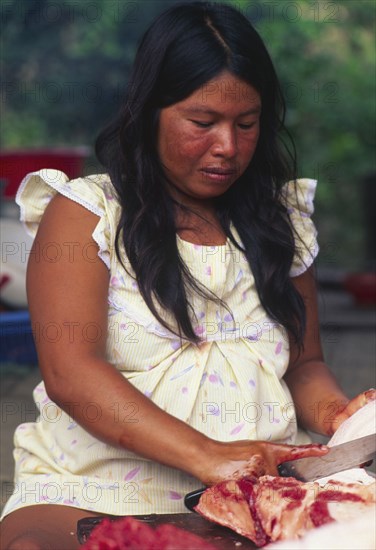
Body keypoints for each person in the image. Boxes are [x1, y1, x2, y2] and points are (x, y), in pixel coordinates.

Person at [1, 2, 374, 549]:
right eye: (203, 123)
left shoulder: (280, 222)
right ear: (150, 111)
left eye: (247, 125)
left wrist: (339, 416)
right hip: (91, 489)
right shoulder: (87, 213)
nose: (227, 146)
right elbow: (71, 373)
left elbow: (304, 364)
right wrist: (207, 456)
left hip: (257, 496)